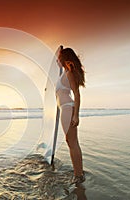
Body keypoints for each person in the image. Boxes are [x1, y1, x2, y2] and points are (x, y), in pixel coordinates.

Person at [56, 46, 85, 184]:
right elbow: (57, 62)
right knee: (71, 142)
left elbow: (77, 94)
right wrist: (59, 50)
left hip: (68, 109)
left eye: (60, 57)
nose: (58, 60)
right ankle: (78, 173)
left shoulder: (69, 73)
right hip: (65, 109)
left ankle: (78, 175)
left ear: (64, 58)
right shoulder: (64, 72)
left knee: (72, 143)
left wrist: (76, 115)